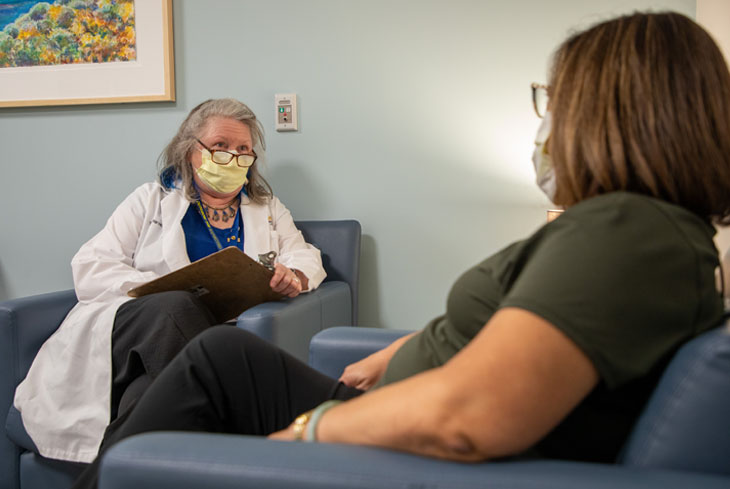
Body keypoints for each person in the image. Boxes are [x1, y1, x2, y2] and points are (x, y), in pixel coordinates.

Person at [72, 11, 730, 488]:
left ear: (613, 113)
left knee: (213, 362)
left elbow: (469, 414)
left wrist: (310, 430)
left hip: (402, 444)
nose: (548, 124)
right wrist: (403, 350)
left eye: (555, 102)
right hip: (392, 405)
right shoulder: (625, 231)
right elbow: (520, 330)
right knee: (220, 353)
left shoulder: (627, 234)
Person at [13, 99, 327, 464]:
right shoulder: (149, 200)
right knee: (177, 306)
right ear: (189, 149)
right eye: (221, 146)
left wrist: (295, 275)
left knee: (147, 396)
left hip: (182, 346)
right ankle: (242, 454)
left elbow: (303, 254)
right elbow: (91, 264)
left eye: (244, 149)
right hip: (132, 330)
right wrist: (158, 287)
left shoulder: (267, 208)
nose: (234, 157)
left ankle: (106, 476)